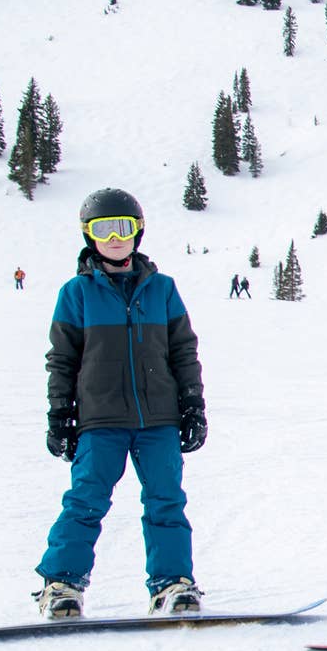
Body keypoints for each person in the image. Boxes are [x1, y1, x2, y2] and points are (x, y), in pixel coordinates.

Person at [34, 188, 208, 618]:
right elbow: (62, 359)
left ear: (138, 232)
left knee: (166, 500)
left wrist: (192, 404)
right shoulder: (76, 293)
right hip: (100, 418)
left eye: (124, 228)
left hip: (159, 418)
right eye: (103, 229)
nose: (115, 238)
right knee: (86, 499)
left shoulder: (162, 290)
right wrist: (61, 414)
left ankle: (172, 583)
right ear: (89, 235)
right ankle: (62, 584)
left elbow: (183, 351)